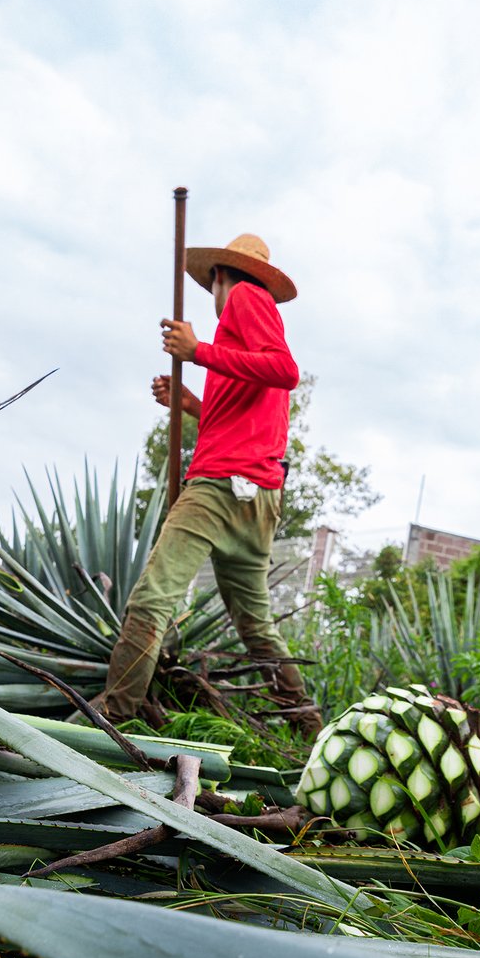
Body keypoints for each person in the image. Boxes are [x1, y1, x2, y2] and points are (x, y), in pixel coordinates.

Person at [103, 233, 321, 733]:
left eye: (211, 286)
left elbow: (286, 371)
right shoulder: (235, 345)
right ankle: (306, 722)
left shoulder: (247, 297)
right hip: (258, 496)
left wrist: (196, 350)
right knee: (255, 626)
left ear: (221, 276)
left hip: (220, 488)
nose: (214, 297)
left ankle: (113, 721)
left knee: (151, 600)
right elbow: (236, 425)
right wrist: (187, 402)